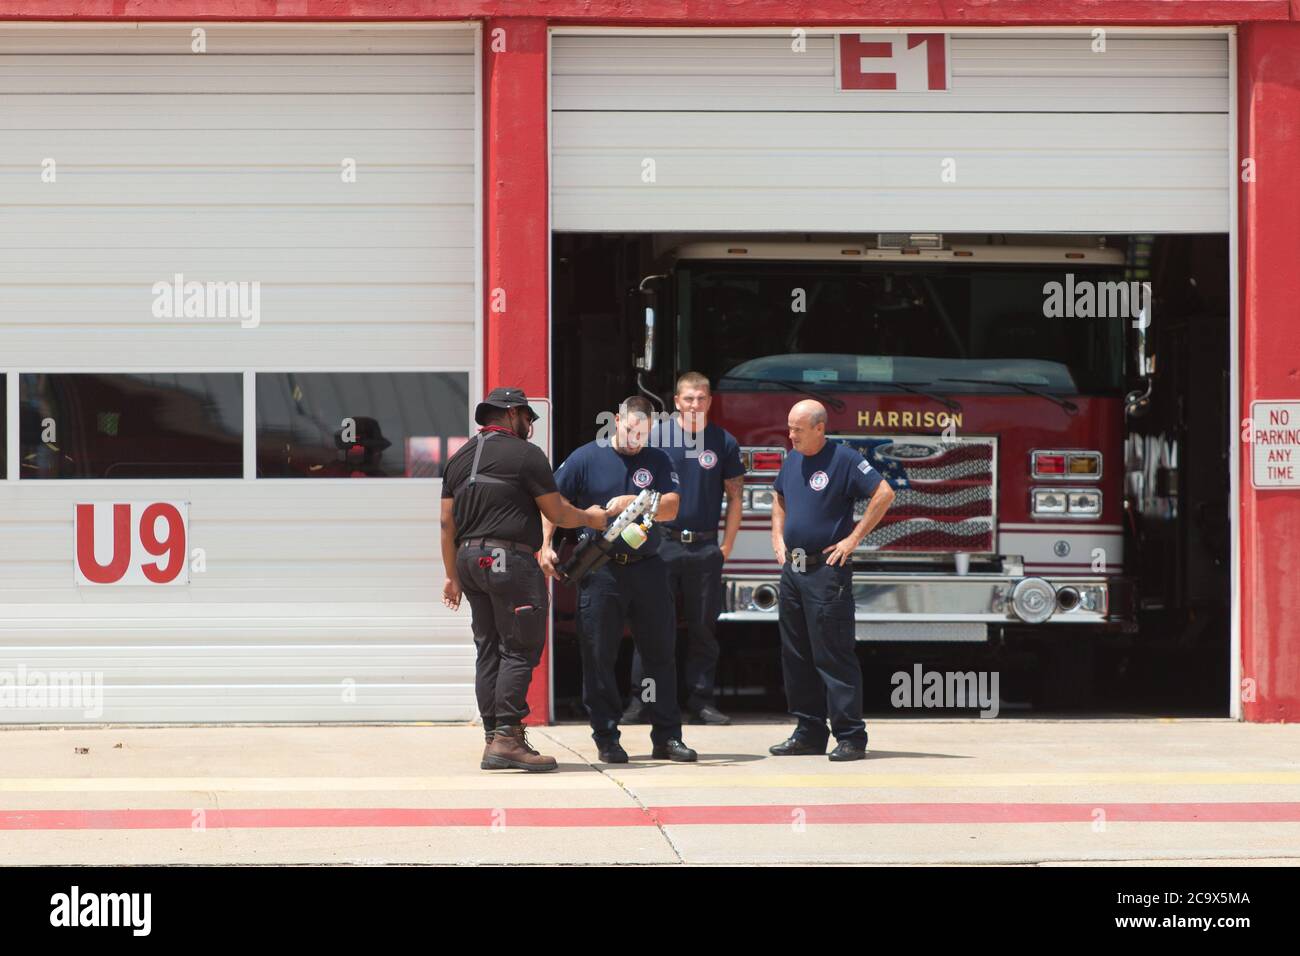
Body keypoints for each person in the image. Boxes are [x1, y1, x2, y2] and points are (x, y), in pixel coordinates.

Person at [441, 386, 608, 772]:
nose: (531, 424)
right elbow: (559, 512)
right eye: (529, 417)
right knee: (519, 648)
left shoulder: (458, 458)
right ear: (513, 413)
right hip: (508, 560)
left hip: (469, 560)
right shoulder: (526, 456)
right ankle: (506, 740)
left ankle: (494, 737)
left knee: (488, 647)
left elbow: (446, 522)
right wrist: (592, 518)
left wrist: (452, 576)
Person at [540, 396, 698, 763]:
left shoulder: (657, 460)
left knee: (660, 655)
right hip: (600, 569)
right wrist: (545, 545)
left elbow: (673, 506)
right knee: (599, 655)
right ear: (615, 421)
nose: (635, 439)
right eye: (629, 430)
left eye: (642, 434)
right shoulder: (585, 458)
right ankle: (607, 736)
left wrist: (639, 500)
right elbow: (553, 503)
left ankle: (667, 736)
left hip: (647, 568)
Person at [769, 399, 896, 761]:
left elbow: (884, 493)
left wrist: (853, 539)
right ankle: (808, 732)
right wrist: (777, 538)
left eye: (798, 428)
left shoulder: (845, 459)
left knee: (833, 653)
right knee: (796, 654)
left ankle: (851, 736)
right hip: (793, 570)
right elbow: (778, 498)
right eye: (789, 427)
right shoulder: (793, 458)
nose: (790, 434)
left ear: (820, 427)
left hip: (827, 570)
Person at [626, 372, 743, 726]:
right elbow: (636, 486)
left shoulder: (723, 442)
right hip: (660, 544)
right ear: (676, 401)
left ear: (710, 401)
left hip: (705, 549)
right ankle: (642, 701)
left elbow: (735, 496)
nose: (695, 404)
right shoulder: (656, 436)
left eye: (701, 398)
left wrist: (726, 546)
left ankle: (701, 702)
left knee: (704, 629)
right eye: (688, 398)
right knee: (650, 625)